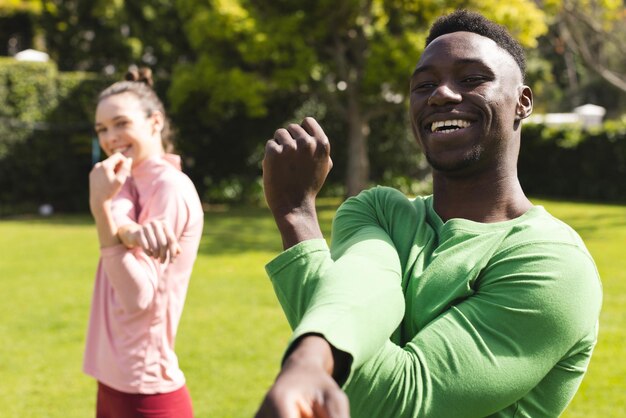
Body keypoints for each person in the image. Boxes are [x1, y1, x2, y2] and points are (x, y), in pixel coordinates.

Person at [256, 10, 602, 418]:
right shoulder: (378, 210)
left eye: (472, 79)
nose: (441, 94)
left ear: (522, 103)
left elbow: (403, 398)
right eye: (423, 85)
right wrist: (310, 361)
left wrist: (298, 217)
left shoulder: (554, 263)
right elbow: (365, 282)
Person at [84, 67, 203, 418]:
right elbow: (120, 219)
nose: (110, 137)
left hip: (146, 392)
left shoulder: (170, 187)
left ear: (155, 122)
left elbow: (137, 297)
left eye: (121, 123)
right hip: (113, 381)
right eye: (102, 129)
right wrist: (128, 230)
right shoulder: (130, 178)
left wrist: (99, 208)